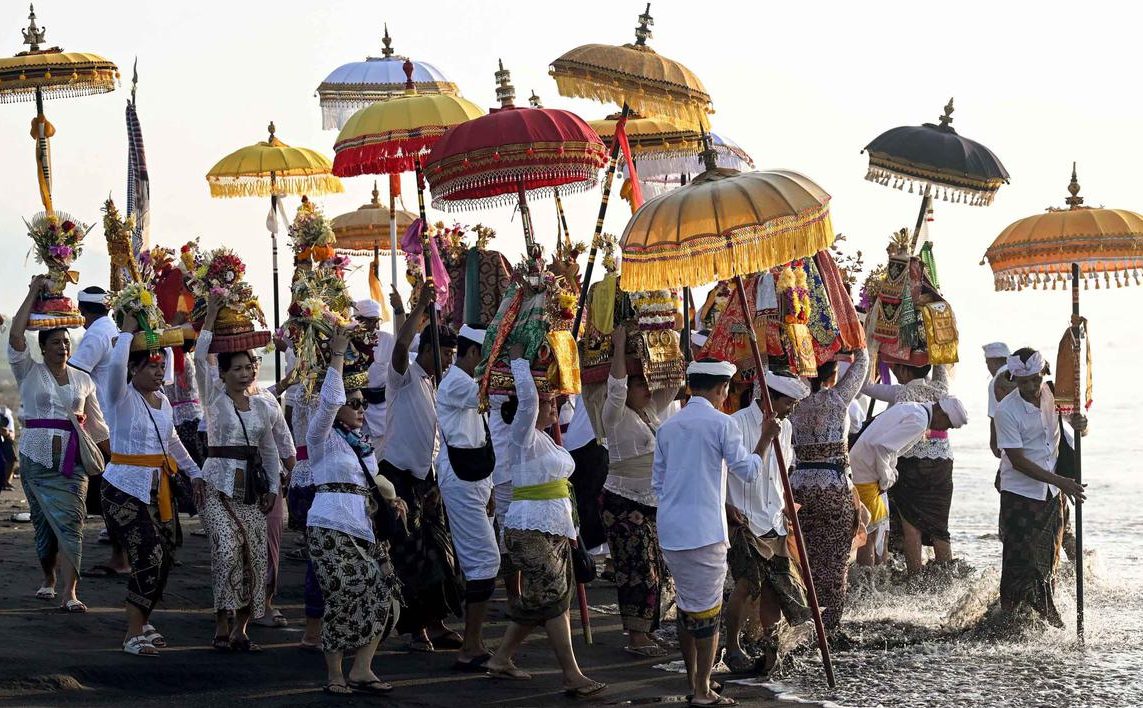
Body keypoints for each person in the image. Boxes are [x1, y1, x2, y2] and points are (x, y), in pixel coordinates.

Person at [484, 343, 606, 699]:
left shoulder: (548, 442)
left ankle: (502, 657)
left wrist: (571, 532)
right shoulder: (521, 437)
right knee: (554, 600)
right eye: (549, 402)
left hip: (554, 528)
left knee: (541, 600)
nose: (554, 407)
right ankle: (571, 673)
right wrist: (522, 363)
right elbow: (529, 403)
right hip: (529, 529)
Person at [654, 358, 767, 707]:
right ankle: (702, 689)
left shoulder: (668, 427)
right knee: (705, 613)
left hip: (672, 528)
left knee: (689, 610)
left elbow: (658, 484)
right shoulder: (721, 424)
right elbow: (747, 471)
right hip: (703, 531)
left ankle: (695, 682)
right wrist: (765, 440)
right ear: (721, 389)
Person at [307, 327, 403, 695]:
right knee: (347, 591)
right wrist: (337, 355)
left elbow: (375, 481)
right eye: (356, 403)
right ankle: (334, 672)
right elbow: (330, 402)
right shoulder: (322, 436)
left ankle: (362, 668)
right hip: (329, 523)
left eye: (365, 403)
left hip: (362, 526)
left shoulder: (362, 446)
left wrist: (392, 499)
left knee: (386, 589)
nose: (362, 409)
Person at [8, 276, 109, 611]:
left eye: (66, 342)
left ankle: (70, 593)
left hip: (72, 463)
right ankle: (48, 579)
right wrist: (33, 290)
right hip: (35, 461)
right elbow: (15, 336)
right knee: (43, 526)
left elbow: (96, 424)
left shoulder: (84, 379)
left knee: (71, 523)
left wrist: (115, 461)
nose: (63, 347)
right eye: (56, 343)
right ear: (43, 346)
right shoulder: (29, 371)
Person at [100, 320, 201, 655]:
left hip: (158, 489)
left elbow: (171, 442)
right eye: (153, 367)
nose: (160, 373)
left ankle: (144, 620)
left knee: (167, 555)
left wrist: (195, 473)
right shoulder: (120, 395)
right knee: (148, 552)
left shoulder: (164, 401)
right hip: (122, 488)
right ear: (134, 369)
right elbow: (115, 364)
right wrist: (127, 331)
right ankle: (132, 633)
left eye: (162, 367)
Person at [191, 294, 282, 652]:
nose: (245, 373)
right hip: (215, 485)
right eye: (237, 369)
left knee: (254, 556)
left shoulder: (263, 405)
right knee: (227, 548)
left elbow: (270, 450)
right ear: (224, 373)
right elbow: (199, 359)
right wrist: (211, 316)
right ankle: (220, 620)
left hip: (252, 491)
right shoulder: (213, 398)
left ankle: (241, 628)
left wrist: (273, 486)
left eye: (250, 367)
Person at [378, 284, 463, 652]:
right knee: (409, 554)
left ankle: (437, 620)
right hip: (397, 476)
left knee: (441, 550)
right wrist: (419, 309)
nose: (449, 361)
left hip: (427, 479)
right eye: (444, 354)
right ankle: (415, 629)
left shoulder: (436, 385)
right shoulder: (403, 376)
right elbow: (400, 347)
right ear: (427, 351)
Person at [599, 324, 678, 657]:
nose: (647, 389)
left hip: (651, 501)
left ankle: (648, 630)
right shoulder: (614, 414)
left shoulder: (648, 411)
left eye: (647, 383)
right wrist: (619, 347)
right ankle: (635, 636)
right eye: (640, 384)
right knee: (637, 569)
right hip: (621, 500)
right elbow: (616, 388)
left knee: (656, 567)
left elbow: (673, 386)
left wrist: (668, 341)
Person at [725, 374, 812, 675]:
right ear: (769, 398)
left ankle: (770, 650)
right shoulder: (735, 423)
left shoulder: (785, 427)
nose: (791, 409)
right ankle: (732, 646)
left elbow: (780, 471)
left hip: (774, 516)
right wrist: (726, 502)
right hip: (744, 515)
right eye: (788, 402)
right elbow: (722, 469)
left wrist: (788, 506)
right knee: (748, 583)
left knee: (775, 588)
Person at [995, 347, 1087, 627]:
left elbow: (1077, 425)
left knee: (1049, 557)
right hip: (1020, 494)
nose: (1031, 387)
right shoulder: (1006, 410)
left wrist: (1082, 424)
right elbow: (1018, 461)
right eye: (1024, 382)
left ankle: (1042, 616)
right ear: (1015, 380)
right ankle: (1011, 617)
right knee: (1020, 560)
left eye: (1035, 380)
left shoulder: (1054, 393)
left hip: (1052, 493)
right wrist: (1060, 481)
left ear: (1042, 374)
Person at [435, 324, 500, 670]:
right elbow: (487, 391)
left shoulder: (466, 383)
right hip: (461, 479)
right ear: (474, 354)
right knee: (485, 562)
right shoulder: (458, 383)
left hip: (475, 477)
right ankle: (470, 646)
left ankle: (473, 643)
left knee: (483, 562)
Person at [789, 349, 867, 631]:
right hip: (834, 489)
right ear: (832, 374)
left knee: (801, 561)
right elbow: (863, 364)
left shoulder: (794, 402)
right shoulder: (837, 399)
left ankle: (802, 625)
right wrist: (856, 342)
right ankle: (828, 628)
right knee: (834, 566)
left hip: (798, 489)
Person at [850, 397, 968, 566]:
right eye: (948, 425)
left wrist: (890, 472)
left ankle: (873, 581)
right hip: (865, 472)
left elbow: (890, 450)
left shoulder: (914, 408)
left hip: (865, 467)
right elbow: (883, 448)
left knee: (878, 530)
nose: (945, 429)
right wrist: (887, 479)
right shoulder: (919, 421)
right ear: (942, 413)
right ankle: (865, 583)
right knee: (870, 533)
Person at [863, 361, 954, 574]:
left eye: (896, 369)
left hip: (911, 462)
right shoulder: (941, 388)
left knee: (911, 525)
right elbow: (941, 358)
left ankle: (915, 579)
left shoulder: (901, 392)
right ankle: (947, 577)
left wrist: (870, 351)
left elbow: (865, 386)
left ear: (904, 370)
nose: (895, 373)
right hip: (942, 461)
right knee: (940, 526)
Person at [69, 285, 130, 576]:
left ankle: (120, 557)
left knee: (110, 492)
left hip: (102, 422)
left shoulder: (95, 333)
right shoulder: (110, 328)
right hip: (113, 418)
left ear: (82, 310)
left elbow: (73, 372)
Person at [0, 400, 17, 491]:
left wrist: (6, 433)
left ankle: (6, 481)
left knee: (10, 451)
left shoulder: (5, 414)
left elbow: (11, 435)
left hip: (3, 439)